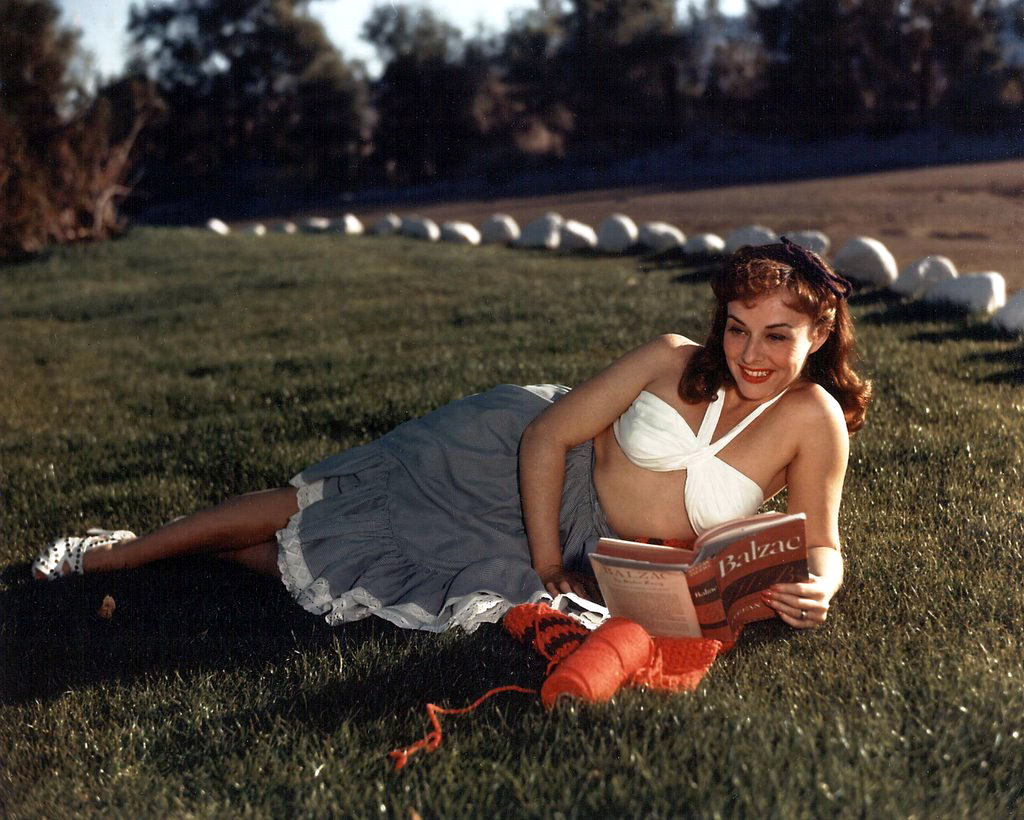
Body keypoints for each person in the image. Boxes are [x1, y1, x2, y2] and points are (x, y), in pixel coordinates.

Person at [32, 239, 871, 634]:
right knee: (324, 503)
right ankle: (110, 557)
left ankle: (180, 553)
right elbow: (545, 436)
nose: (750, 354)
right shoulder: (670, 357)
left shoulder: (811, 420)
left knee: (331, 556)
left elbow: (821, 543)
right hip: (515, 458)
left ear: (820, 330)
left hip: (599, 544)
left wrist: (821, 587)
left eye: (776, 336)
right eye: (737, 328)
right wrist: (546, 567)